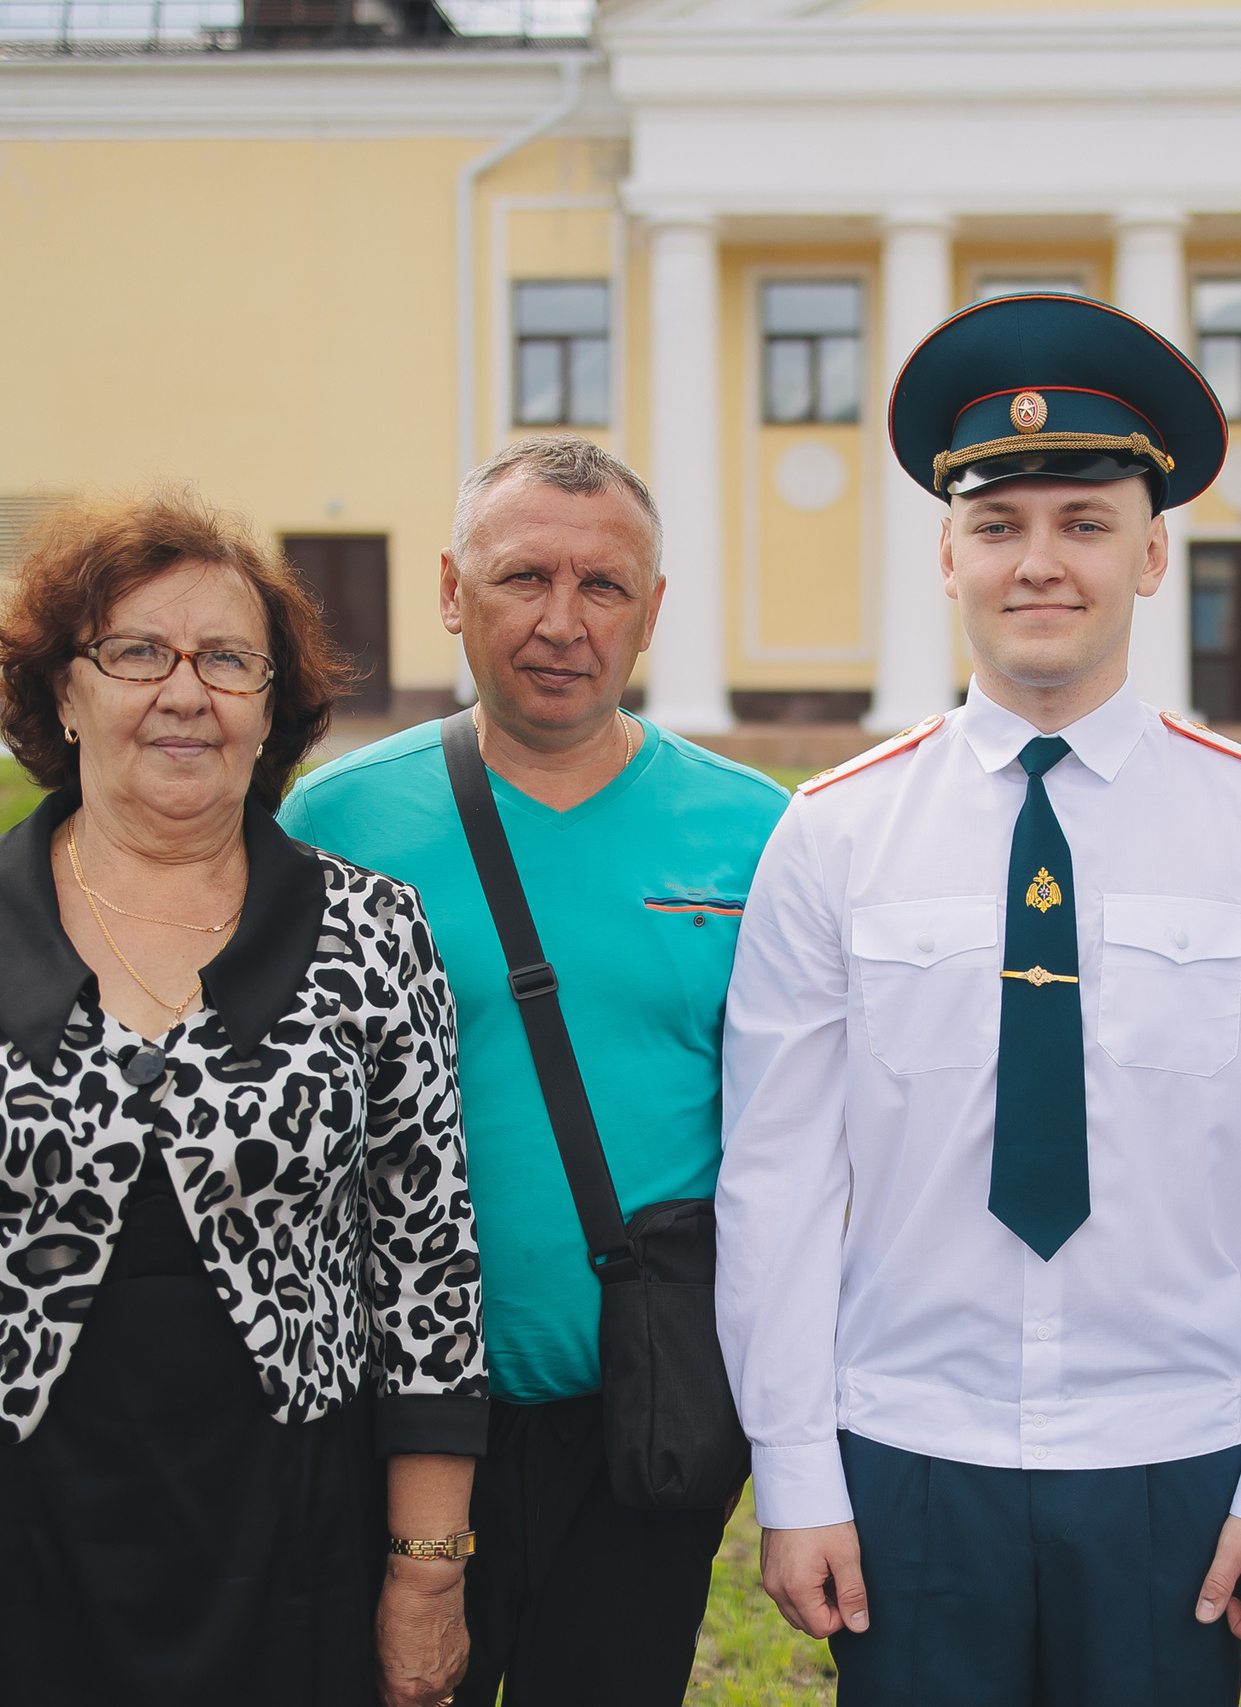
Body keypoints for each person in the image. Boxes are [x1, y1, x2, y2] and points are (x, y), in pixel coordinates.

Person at [715, 293, 1241, 1706]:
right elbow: (776, 1179)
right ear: (948, 551)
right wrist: (795, 1463)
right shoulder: (833, 831)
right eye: (1002, 523)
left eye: (1084, 522)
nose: (1041, 561)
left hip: (1176, 1459)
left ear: (1152, 553)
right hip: (907, 1451)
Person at [0, 490, 487, 1707]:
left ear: (272, 707)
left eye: (228, 659)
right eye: (137, 652)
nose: (185, 691)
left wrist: (426, 1571)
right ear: (63, 689)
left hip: (285, 1542)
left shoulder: (373, 932)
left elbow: (426, 1274)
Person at [278, 435, 789, 1706]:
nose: (562, 623)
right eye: (522, 580)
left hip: (643, 1417)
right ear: (452, 592)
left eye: (604, 587)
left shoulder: (764, 834)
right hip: (388, 1419)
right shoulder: (332, 826)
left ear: (654, 611)